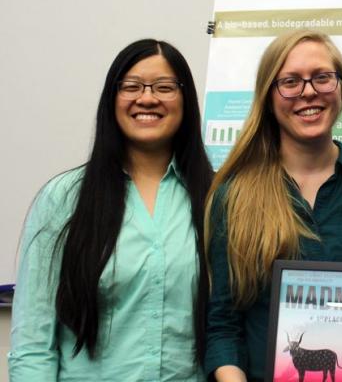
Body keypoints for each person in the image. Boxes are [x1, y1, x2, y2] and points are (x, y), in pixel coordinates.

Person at [8, 39, 213, 381]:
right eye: (131, 87)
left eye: (164, 87)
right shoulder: (63, 198)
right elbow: (33, 342)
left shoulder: (216, 197)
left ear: (186, 100)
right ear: (112, 100)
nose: (147, 98)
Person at [204, 30, 342, 382]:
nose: (308, 91)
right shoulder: (235, 196)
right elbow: (223, 325)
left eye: (322, 77)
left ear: (340, 87)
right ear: (268, 95)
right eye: (290, 81)